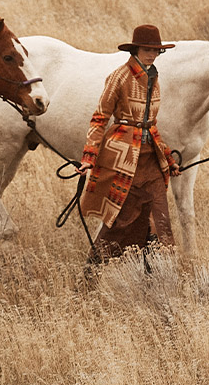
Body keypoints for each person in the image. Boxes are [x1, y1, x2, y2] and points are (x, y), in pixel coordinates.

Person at [76, 24, 181, 264]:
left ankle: (157, 276)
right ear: (135, 49)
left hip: (151, 160)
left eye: (156, 51)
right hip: (124, 157)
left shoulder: (153, 76)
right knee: (123, 220)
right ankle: (94, 269)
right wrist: (88, 157)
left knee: (159, 219)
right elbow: (100, 117)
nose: (152, 54)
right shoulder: (119, 76)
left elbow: (150, 125)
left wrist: (168, 158)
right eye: (147, 49)